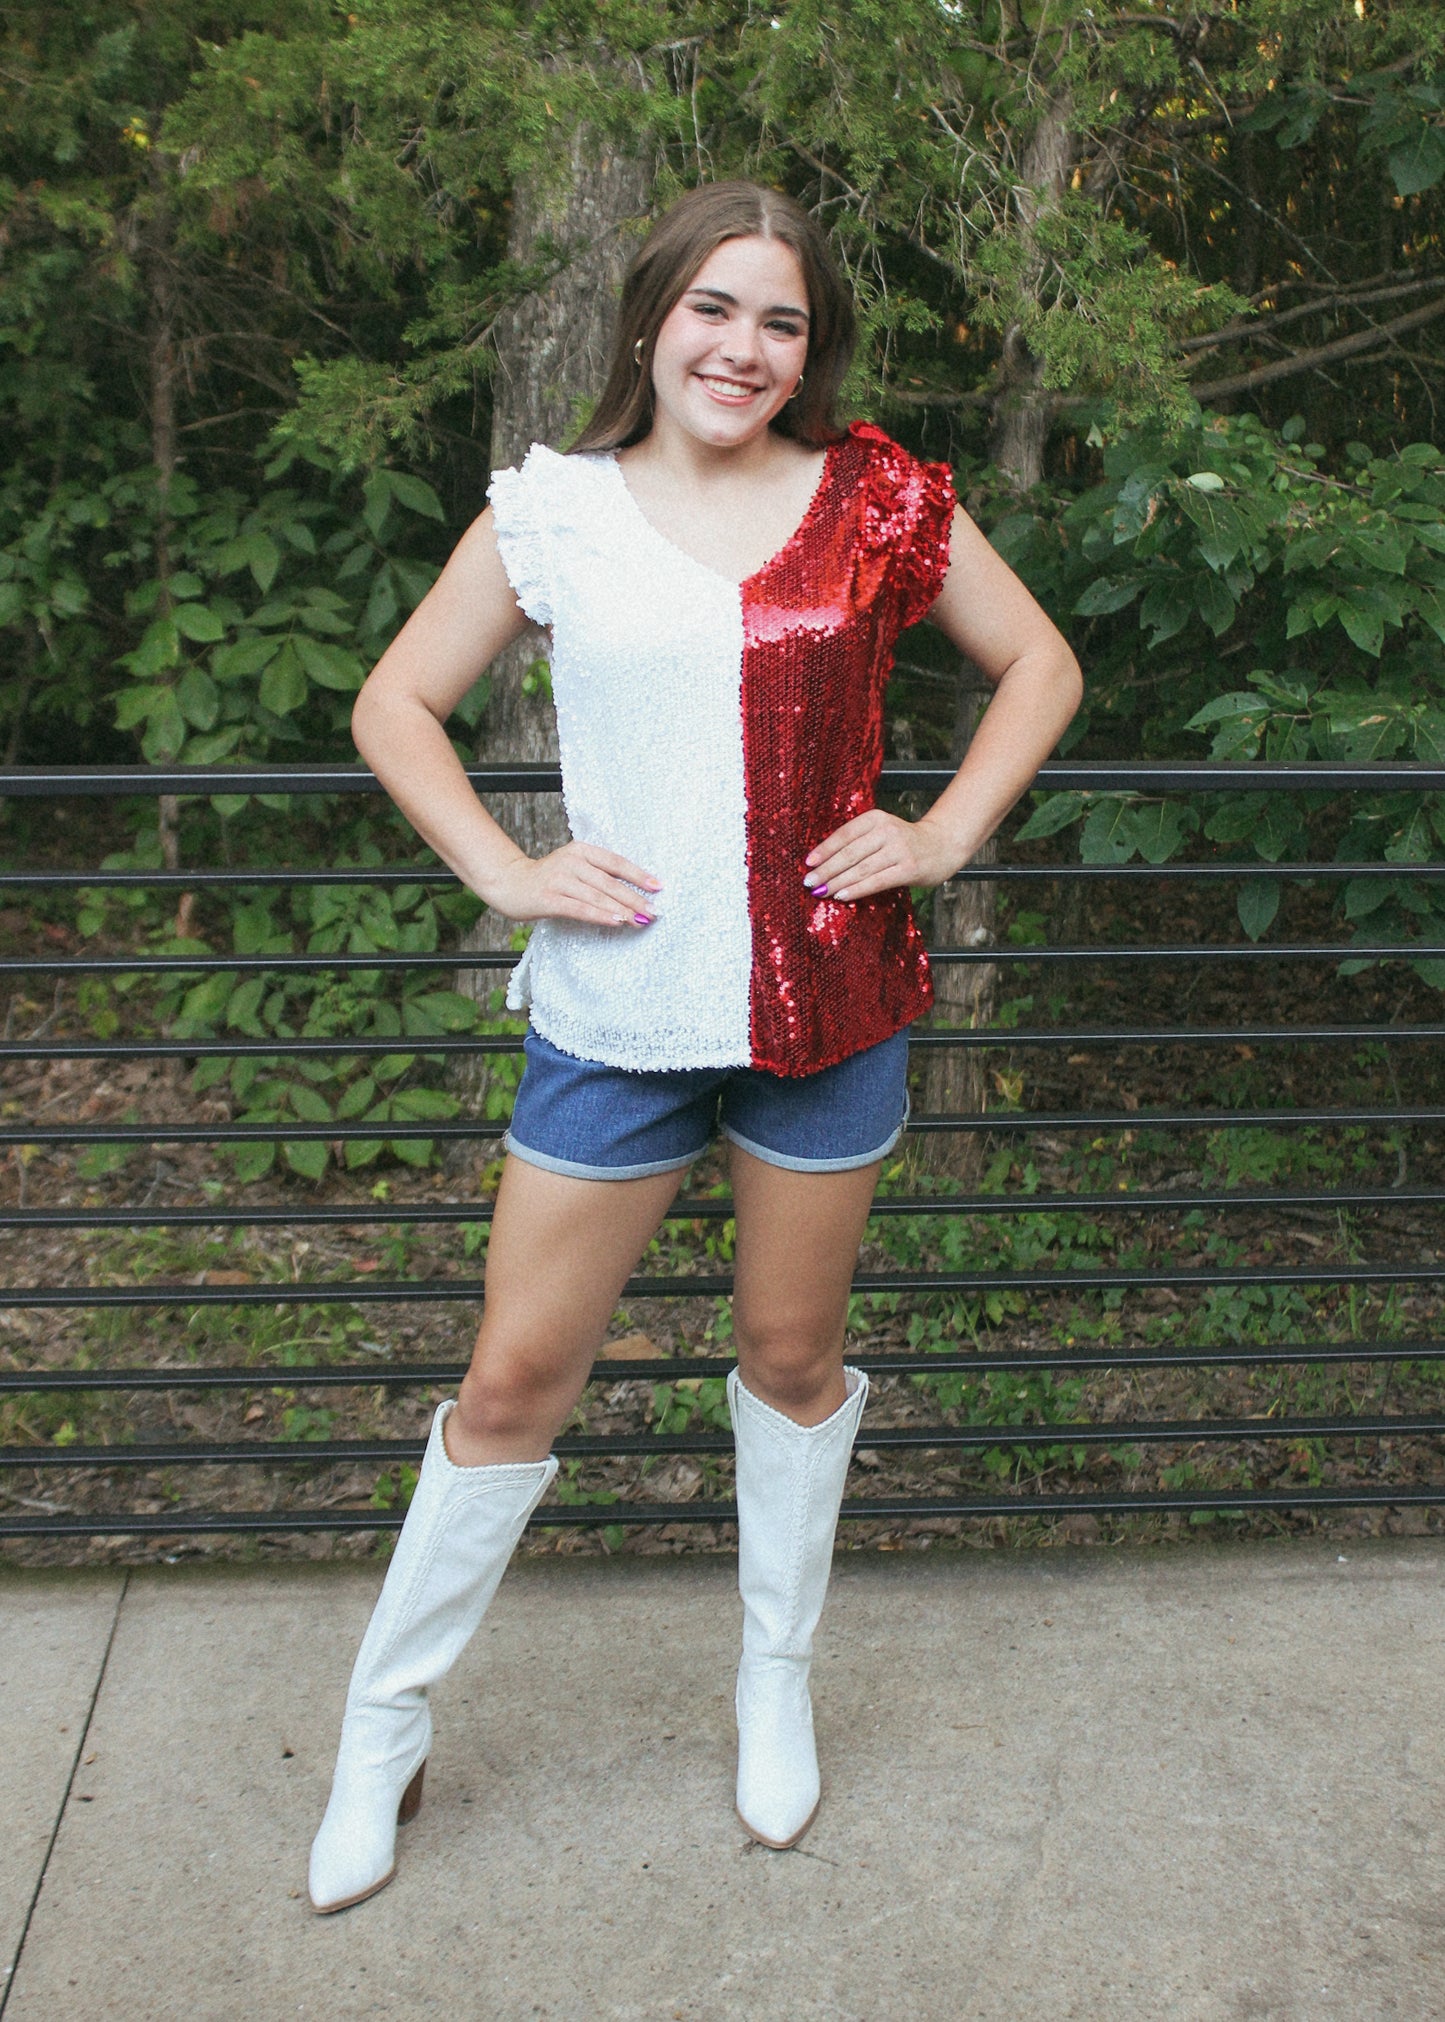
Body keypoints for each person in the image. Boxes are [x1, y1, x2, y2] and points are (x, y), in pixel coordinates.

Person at [308, 179, 1081, 1914]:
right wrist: (506, 869)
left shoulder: (876, 496)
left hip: (829, 1017)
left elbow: (1038, 662)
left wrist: (942, 834)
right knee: (513, 1379)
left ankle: (770, 1681)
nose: (745, 347)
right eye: (715, 309)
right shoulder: (555, 512)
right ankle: (382, 1723)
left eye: (782, 320)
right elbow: (391, 702)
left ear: (812, 351)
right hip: (618, 1017)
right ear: (651, 319)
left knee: (790, 1362)